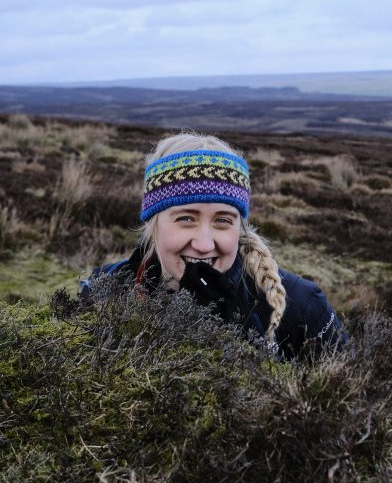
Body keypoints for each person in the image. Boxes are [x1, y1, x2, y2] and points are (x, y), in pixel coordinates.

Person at [84, 132, 346, 360]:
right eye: (186, 218)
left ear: (239, 228)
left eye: (222, 220)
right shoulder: (106, 288)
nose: (204, 244)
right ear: (153, 223)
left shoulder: (301, 307)